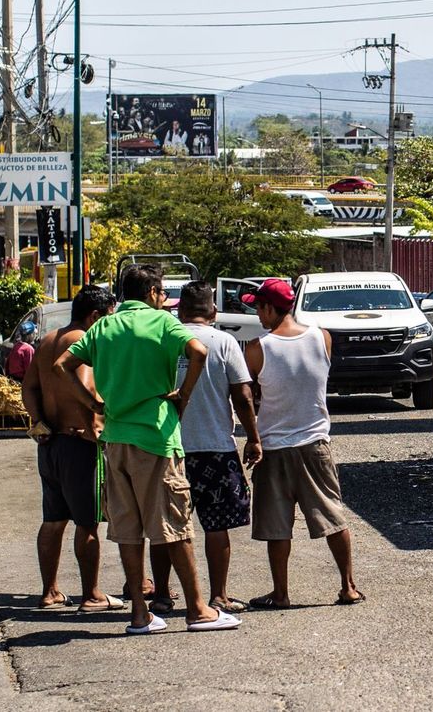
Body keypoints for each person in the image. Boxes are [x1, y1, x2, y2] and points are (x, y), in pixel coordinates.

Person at [60, 265, 239, 634]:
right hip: (157, 437)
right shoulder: (160, 322)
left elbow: (64, 364)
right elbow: (198, 349)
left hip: (117, 439)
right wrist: (184, 394)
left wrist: (93, 402)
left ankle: (139, 614)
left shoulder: (104, 327)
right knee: (174, 525)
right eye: (161, 295)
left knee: (128, 530)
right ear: (155, 292)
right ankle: (198, 610)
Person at [242, 278, 364, 609]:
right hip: (316, 445)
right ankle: (348, 586)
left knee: (277, 526)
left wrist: (252, 436)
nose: (257, 313)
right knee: (333, 516)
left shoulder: (257, 348)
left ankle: (280, 593)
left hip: (274, 448)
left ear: (269, 307)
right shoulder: (321, 338)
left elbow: (248, 394)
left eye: (258, 307)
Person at [154, 281, 264, 614]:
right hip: (216, 446)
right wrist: (253, 437)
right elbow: (243, 395)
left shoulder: (165, 338)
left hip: (170, 448)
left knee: (166, 526)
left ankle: (161, 593)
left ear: (179, 309)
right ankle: (218, 595)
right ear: (212, 311)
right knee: (217, 526)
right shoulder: (224, 341)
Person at [22, 285, 121, 612]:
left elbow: (29, 388)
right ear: (95, 315)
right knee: (87, 522)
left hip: (49, 442)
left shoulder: (48, 340)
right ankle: (92, 594)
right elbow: (79, 383)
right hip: (78, 442)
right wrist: (96, 412)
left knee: (53, 520)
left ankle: (50, 592)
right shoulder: (82, 341)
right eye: (107, 317)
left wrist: (39, 421)